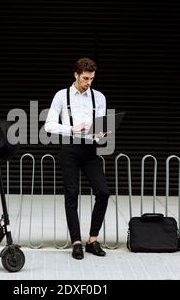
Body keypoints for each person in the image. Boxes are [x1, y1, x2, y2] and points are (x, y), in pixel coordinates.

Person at [44, 57, 110, 260]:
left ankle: (92, 239)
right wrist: (71, 128)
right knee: (72, 194)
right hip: (69, 149)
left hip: (90, 149)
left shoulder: (98, 97)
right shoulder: (61, 96)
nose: (89, 82)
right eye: (85, 78)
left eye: (91, 78)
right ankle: (76, 242)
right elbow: (48, 125)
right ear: (75, 75)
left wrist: (102, 133)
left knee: (103, 192)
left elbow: (100, 124)